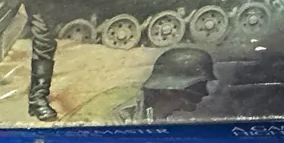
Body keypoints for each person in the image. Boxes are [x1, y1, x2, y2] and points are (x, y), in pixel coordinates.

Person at [65, 47, 216, 125]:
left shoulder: (148, 108)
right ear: (170, 90)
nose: (205, 93)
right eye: (197, 88)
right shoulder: (116, 112)